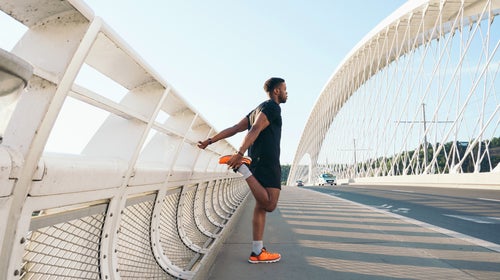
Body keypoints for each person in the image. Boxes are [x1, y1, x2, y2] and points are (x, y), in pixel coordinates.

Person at [197, 77, 287, 263]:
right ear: (276, 91)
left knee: (260, 207)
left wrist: (210, 141)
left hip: (258, 160)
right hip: (267, 162)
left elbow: (236, 128)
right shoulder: (272, 107)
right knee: (270, 204)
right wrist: (239, 154)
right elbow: (254, 129)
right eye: (285, 89)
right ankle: (243, 168)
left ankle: (257, 252)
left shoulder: (258, 109)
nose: (287, 93)